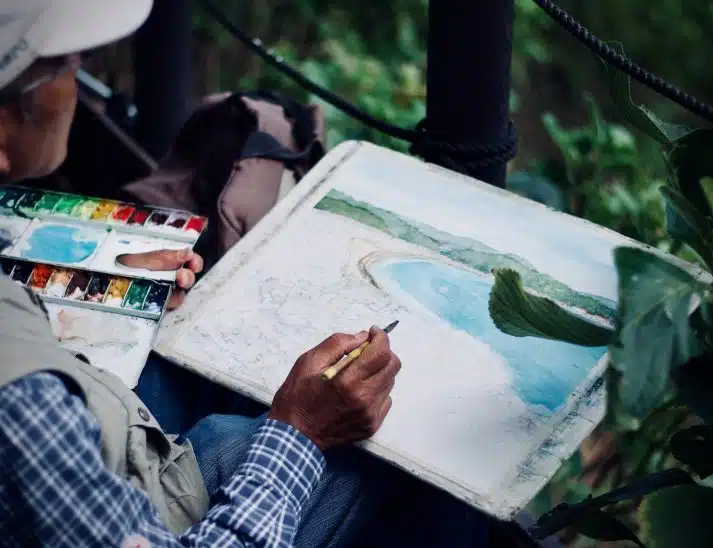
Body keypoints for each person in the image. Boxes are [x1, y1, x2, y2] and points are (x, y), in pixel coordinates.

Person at [0, 2, 508, 548]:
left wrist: (94, 278)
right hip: (148, 501)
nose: (76, 76)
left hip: (106, 427)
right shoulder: (21, 407)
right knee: (423, 459)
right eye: (64, 64)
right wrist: (298, 436)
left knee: (219, 379)